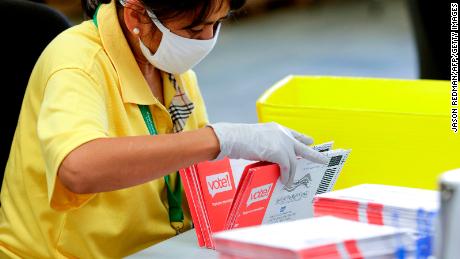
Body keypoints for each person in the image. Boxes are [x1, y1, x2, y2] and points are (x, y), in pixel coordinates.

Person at [0, 0, 328, 257]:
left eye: (216, 24)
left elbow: (192, 173)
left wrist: (260, 188)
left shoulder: (171, 68)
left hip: (154, 249)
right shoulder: (78, 63)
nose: (207, 40)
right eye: (194, 29)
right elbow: (78, 168)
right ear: (136, 17)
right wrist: (219, 139)